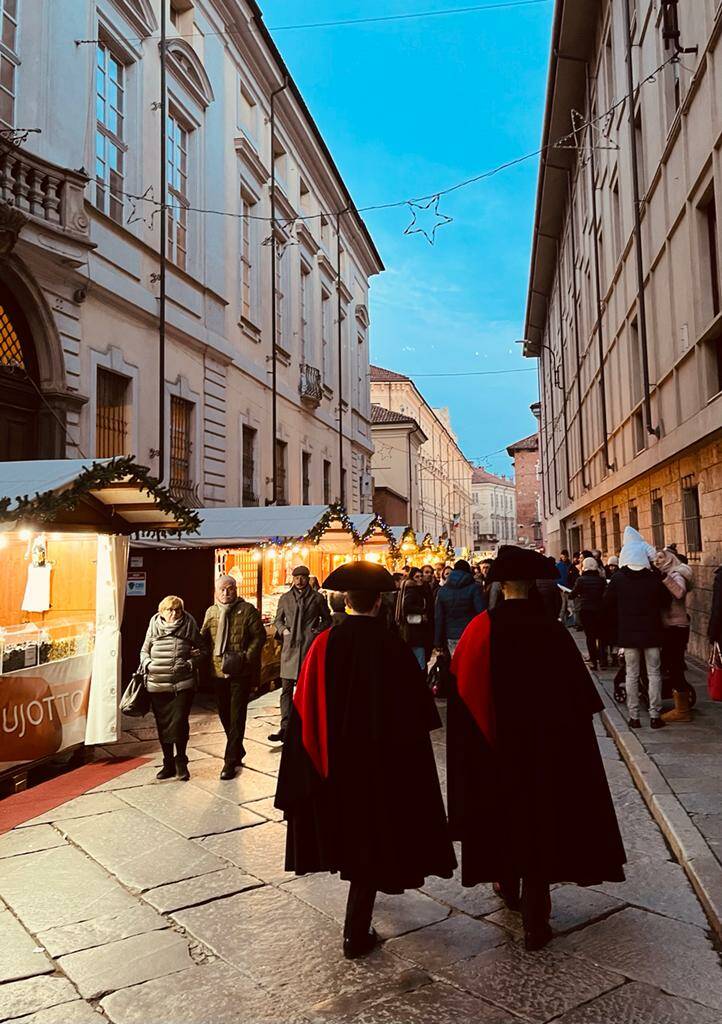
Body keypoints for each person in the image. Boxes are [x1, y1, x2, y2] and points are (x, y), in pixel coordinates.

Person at [447, 546, 626, 952]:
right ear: (530, 587)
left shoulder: (479, 629)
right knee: (541, 826)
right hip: (546, 754)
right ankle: (536, 921)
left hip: (496, 751)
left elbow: (462, 700)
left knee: (504, 821)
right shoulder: (552, 631)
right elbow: (582, 701)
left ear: (500, 587)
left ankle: (507, 886)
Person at [275, 561, 456, 959]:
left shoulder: (325, 644)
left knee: (353, 841)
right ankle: (355, 932)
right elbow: (422, 715)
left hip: (338, 765)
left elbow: (304, 706)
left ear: (346, 602)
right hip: (385, 767)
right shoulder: (392, 647)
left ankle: (360, 920)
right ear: (377, 603)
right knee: (374, 840)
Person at [201, 575, 267, 779]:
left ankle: (229, 761)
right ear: (216, 591)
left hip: (240, 670)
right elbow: (204, 637)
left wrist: (247, 657)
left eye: (230, 589)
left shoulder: (247, 610)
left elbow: (259, 636)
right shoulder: (211, 611)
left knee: (237, 714)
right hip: (217, 669)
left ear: (236, 590)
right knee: (223, 712)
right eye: (222, 589)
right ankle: (237, 747)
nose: (226, 592)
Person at [603, 527, 670, 730]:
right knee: (654, 674)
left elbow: (607, 604)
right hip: (652, 632)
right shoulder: (653, 578)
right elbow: (665, 601)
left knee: (631, 674)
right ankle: (655, 715)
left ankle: (634, 716)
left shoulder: (618, 579)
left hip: (628, 634)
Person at [141, 595, 203, 781]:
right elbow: (144, 650)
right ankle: (168, 762)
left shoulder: (189, 626)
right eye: (170, 610)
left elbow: (203, 650)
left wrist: (191, 664)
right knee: (163, 725)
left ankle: (181, 761)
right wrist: (148, 664)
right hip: (157, 684)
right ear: (162, 611)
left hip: (181, 685)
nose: (174, 613)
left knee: (179, 723)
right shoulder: (153, 627)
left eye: (177, 610)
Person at [270, 565, 332, 743]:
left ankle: (305, 725)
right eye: (297, 577)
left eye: (303, 577)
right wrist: (283, 631)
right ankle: (285, 726)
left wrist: (316, 631)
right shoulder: (285, 598)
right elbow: (278, 619)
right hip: (290, 648)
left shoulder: (317, 598)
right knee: (286, 689)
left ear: (308, 578)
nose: (299, 580)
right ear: (293, 578)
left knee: (307, 689)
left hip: (308, 646)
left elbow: (327, 619)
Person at [655, 549, 695, 723]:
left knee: (675, 664)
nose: (657, 561)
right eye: (656, 558)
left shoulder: (676, 573)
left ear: (670, 559)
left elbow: (679, 592)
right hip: (672, 625)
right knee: (673, 664)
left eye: (661, 558)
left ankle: (682, 710)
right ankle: (681, 703)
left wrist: (664, 579)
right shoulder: (670, 573)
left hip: (676, 626)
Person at [434, 559, 485, 657]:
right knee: (471, 665)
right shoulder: (475, 588)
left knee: (456, 666)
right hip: (471, 634)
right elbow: (481, 613)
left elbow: (439, 618)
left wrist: (438, 641)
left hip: (451, 635)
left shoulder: (442, 591)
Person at [571, 556, 608, 670]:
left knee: (590, 637)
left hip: (586, 610)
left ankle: (593, 661)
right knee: (601, 636)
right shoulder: (601, 580)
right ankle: (603, 660)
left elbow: (573, 594)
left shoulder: (581, 580)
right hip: (600, 610)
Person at [396, 567, 434, 670]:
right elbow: (407, 606)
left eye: (421, 576)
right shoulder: (412, 590)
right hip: (415, 632)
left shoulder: (420, 589)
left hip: (418, 631)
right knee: (419, 660)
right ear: (412, 578)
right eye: (417, 577)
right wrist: (422, 610)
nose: (420, 578)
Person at [535, 556, 562, 622]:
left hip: (539, 615)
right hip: (551, 614)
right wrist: (556, 614)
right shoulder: (552, 583)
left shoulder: (534, 584)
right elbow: (558, 601)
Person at [556, 550, 572, 623]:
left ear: (567, 556)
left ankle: (566, 620)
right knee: (564, 605)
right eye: (562, 557)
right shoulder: (559, 565)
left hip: (568, 587)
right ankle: (562, 620)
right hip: (561, 587)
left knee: (568, 605)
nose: (563, 558)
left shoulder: (570, 565)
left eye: (564, 557)